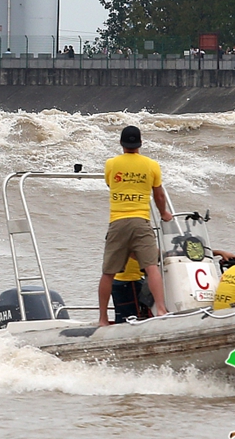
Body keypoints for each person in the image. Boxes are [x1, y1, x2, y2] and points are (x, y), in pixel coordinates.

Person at [99, 125, 171, 326]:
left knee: (108, 273)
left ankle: (103, 318)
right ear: (141, 143)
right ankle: (161, 310)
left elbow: (110, 185)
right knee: (151, 267)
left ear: (121, 143)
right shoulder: (152, 165)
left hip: (117, 222)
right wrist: (164, 213)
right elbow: (159, 195)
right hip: (141, 221)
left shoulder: (111, 164)